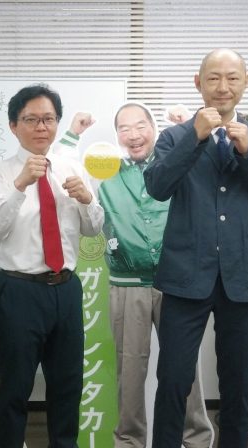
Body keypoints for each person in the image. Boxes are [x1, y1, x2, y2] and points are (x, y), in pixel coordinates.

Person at [144, 48, 248, 448]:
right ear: (198, 83)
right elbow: (157, 187)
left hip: (244, 280)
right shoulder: (175, 136)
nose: (223, 86)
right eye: (213, 78)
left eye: (232, 77)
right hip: (184, 278)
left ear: (245, 82)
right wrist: (194, 137)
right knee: (173, 380)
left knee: (239, 386)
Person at [58, 103, 214, 447]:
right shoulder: (104, 169)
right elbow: (61, 170)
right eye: (124, 128)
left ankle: (196, 439)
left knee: (185, 369)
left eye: (141, 126)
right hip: (127, 284)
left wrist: (190, 125)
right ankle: (129, 441)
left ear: (154, 129)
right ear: (116, 135)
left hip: (177, 283)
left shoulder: (174, 162)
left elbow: (208, 166)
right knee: (129, 372)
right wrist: (72, 134)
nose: (133, 135)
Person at [0, 84, 105, 447]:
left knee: (67, 386)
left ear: (57, 123)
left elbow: (93, 228)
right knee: (15, 389)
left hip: (65, 290)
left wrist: (87, 200)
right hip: (18, 291)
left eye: (48, 119)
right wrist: (20, 185)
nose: (41, 127)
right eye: (31, 119)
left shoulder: (72, 167)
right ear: (13, 126)